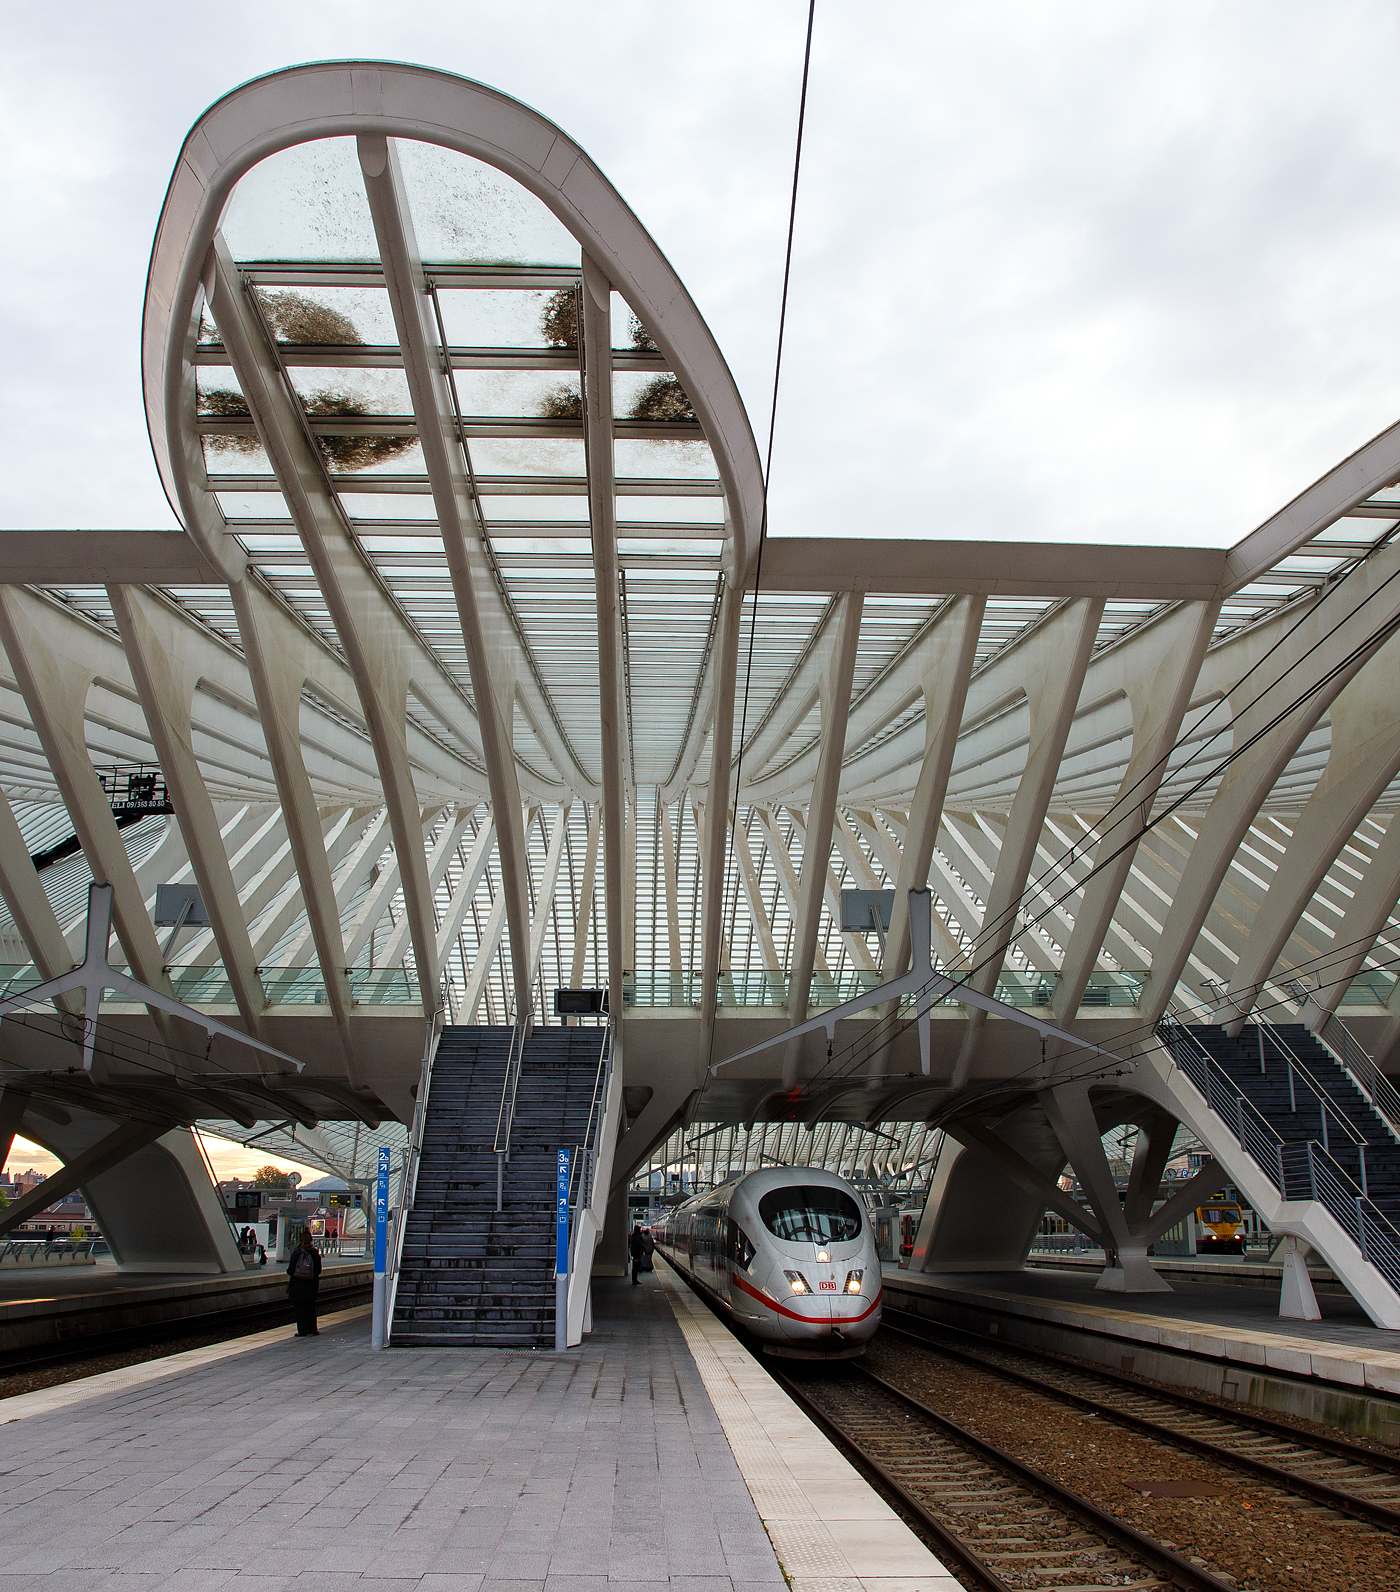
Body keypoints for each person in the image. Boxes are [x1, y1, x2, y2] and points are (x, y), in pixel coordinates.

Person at [286, 1230, 322, 1336]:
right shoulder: (315, 1253)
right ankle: (313, 1330)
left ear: (300, 1242)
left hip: (298, 1286)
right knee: (311, 1308)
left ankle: (303, 1331)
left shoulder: (297, 1253)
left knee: (300, 1309)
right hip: (311, 1286)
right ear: (310, 1241)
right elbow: (318, 1271)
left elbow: (290, 1270)